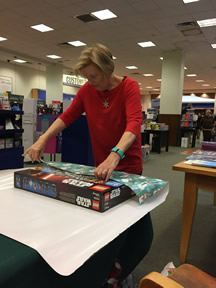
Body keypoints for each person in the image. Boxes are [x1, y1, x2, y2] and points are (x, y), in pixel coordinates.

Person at [23, 43, 153, 287]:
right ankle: (112, 265)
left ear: (107, 69)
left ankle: (121, 268)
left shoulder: (129, 87)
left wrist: (115, 154)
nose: (90, 81)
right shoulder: (87, 91)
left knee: (130, 222)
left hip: (127, 165)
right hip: (101, 167)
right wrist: (42, 139)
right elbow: (66, 117)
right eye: (87, 77)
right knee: (109, 219)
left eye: (93, 76)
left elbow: (134, 123)